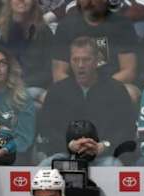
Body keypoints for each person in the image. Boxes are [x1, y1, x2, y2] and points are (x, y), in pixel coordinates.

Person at [38, 36, 137, 165]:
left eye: (86, 60)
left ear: (97, 61)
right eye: (75, 60)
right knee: (45, 166)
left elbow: (126, 129)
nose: (80, 65)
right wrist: (69, 144)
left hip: (104, 156)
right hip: (65, 154)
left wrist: (104, 146)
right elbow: (47, 129)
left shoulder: (116, 89)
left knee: (113, 166)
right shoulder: (57, 91)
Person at [52, 0, 139, 101]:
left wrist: (98, 89)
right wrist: (78, 91)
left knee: (131, 93)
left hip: (111, 85)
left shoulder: (121, 25)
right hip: (75, 88)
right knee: (52, 95)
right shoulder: (66, 26)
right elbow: (59, 73)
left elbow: (129, 71)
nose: (89, 2)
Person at [0, 0, 53, 105]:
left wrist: (25, 87)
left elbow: (49, 70)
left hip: (35, 87)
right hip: (5, 89)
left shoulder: (43, 31)